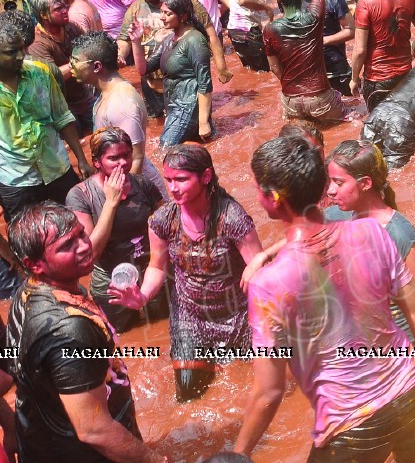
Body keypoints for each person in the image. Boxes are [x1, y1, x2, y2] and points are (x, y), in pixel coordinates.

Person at [235, 136, 415, 461]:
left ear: (272, 199)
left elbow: (269, 391)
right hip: (414, 395)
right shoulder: (372, 232)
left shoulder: (269, 284)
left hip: (352, 424)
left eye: (257, 189)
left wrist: (237, 453)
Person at [5, 203, 163, 463]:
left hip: (39, 439)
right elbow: (95, 430)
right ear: (34, 264)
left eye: (81, 234)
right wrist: (155, 460)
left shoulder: (27, 292)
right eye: (67, 246)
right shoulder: (69, 330)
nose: (84, 245)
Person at [108, 143, 261, 403]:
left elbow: (259, 269)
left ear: (206, 177)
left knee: (246, 390)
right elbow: (157, 267)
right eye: (168, 180)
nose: (172, 188)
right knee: (189, 396)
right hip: (189, 318)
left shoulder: (232, 218)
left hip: (236, 316)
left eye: (181, 179)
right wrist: (143, 296)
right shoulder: (162, 221)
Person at [323, 139, 415, 380]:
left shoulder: (399, 233)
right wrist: (265, 254)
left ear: (365, 183)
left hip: (404, 350)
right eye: (330, 182)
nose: (330, 191)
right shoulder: (336, 216)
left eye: (338, 183)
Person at [66, 126, 165, 331]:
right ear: (96, 162)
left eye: (127, 155)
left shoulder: (143, 185)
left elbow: (167, 228)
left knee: (160, 329)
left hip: (151, 274)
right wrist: (111, 202)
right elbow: (90, 254)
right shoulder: (81, 196)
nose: (123, 162)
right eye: (114, 158)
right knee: (121, 337)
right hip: (111, 283)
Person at [0, 23, 92, 218]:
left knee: (77, 223)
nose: (20, 56)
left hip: (57, 169)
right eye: (11, 52)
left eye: (21, 48)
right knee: (28, 240)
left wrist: (81, 160)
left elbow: (63, 118)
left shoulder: (40, 73)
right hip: (17, 180)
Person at [122, 0, 230, 126]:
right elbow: (124, 39)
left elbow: (211, 34)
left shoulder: (186, 4)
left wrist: (221, 67)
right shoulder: (136, 8)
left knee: (191, 125)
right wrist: (119, 55)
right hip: (150, 81)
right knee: (156, 127)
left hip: (183, 83)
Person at [264, 0, 346, 123]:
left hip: (290, 100)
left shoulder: (270, 29)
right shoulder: (313, 17)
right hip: (319, 97)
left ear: (279, 0)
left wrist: (293, 86)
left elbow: (275, 69)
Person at [71, 31, 167, 196]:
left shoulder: (121, 102)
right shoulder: (107, 92)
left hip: (138, 189)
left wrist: (125, 200)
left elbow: (135, 158)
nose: (70, 65)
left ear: (96, 66)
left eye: (75, 61)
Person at [129, 0, 214, 145]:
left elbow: (205, 83)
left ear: (183, 16)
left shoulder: (194, 40)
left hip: (189, 106)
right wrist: (136, 41)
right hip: (174, 105)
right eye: (161, 12)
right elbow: (144, 69)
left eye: (168, 14)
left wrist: (203, 122)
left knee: (165, 149)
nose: (162, 17)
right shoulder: (169, 39)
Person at [27, 0, 96, 131]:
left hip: (84, 95)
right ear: (44, 15)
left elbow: (91, 49)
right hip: (62, 104)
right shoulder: (37, 42)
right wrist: (81, 62)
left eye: (65, 6)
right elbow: (52, 75)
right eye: (58, 9)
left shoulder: (72, 27)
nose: (65, 10)